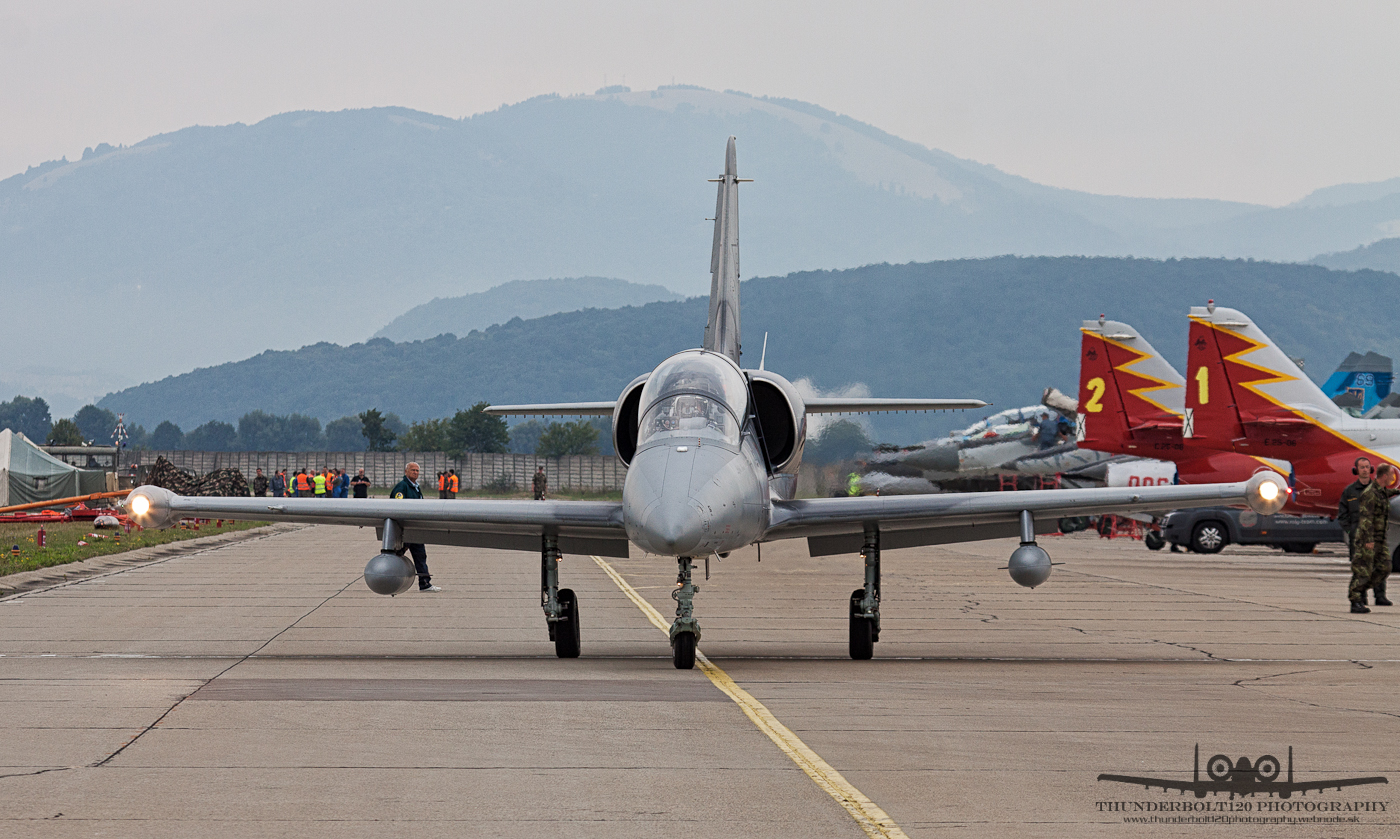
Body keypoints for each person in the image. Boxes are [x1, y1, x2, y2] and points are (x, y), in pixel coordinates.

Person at [1350, 462, 1399, 613]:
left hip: (1380, 538)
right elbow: (1366, 519)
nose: (1393, 477)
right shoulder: (1370, 494)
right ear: (1385, 476)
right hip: (1368, 538)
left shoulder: (1381, 491)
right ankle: (1356, 600)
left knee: (1385, 567)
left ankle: (1363, 591)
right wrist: (1368, 539)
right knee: (1363, 570)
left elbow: (1388, 493)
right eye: (1391, 474)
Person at [391, 462, 440, 592]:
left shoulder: (416, 488)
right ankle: (389, 580)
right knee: (396, 555)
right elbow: (397, 506)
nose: (415, 473)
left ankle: (425, 584)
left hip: (415, 529)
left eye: (417, 471)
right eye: (413, 470)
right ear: (406, 471)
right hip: (405, 530)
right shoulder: (402, 487)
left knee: (420, 556)